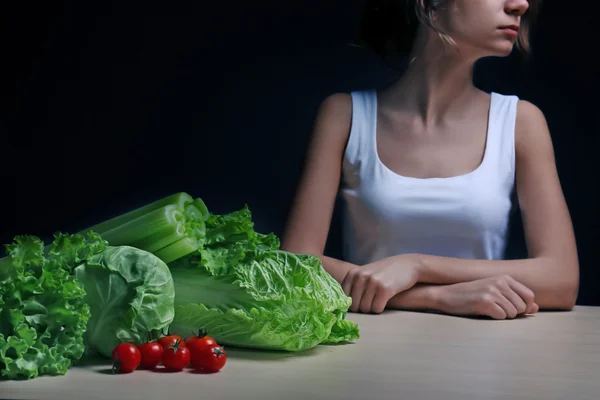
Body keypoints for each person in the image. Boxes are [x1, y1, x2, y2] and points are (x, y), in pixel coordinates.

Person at [280, 0, 579, 319]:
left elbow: (561, 280)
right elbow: (294, 265)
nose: (520, 4)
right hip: (368, 346)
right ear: (432, 5)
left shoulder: (520, 122)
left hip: (483, 349)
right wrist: (437, 297)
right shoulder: (344, 115)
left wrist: (416, 264)